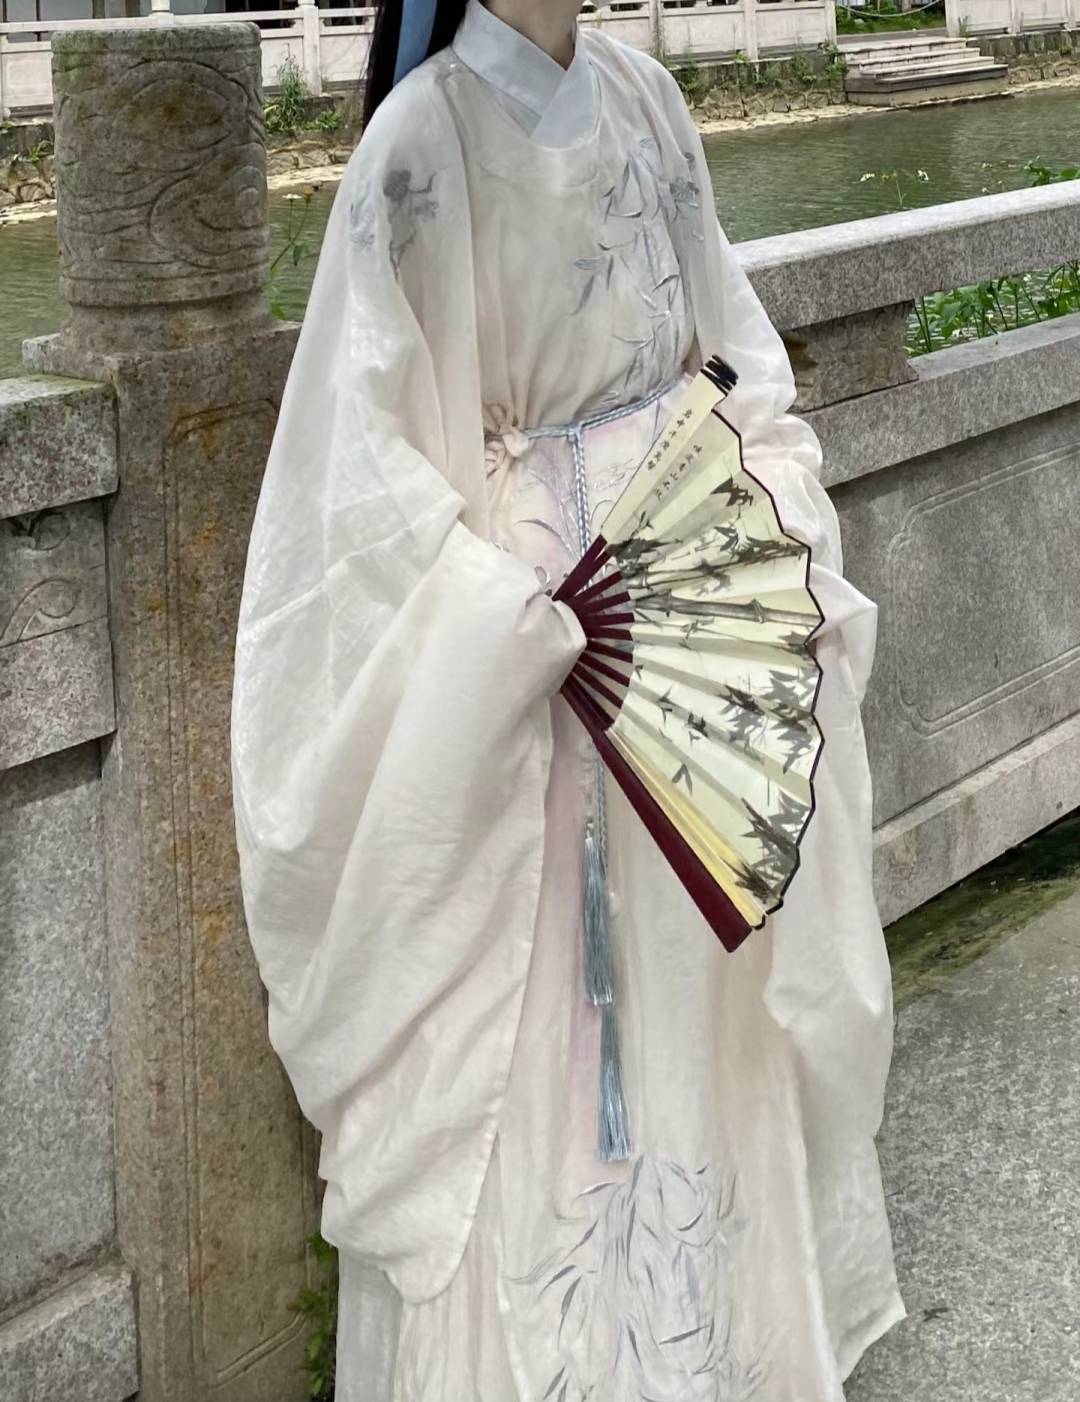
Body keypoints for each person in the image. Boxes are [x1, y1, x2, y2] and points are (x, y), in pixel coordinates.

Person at [230, 1, 905, 1398]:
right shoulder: (418, 143)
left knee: (696, 1005)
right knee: (552, 1042)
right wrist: (511, 611)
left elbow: (733, 355)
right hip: (537, 679)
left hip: (685, 646)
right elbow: (357, 478)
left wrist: (762, 513)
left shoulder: (651, 100)